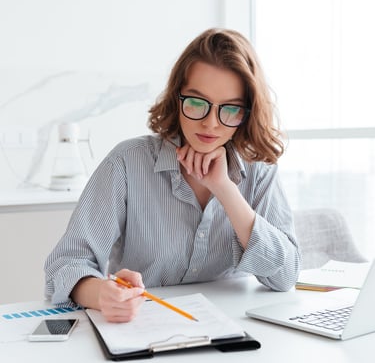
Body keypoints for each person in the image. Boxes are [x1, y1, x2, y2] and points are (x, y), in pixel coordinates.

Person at [45, 28, 300, 322]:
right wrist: (102, 293)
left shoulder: (258, 170)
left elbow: (285, 276)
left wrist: (225, 189)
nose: (210, 124)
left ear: (247, 112)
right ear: (177, 98)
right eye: (196, 103)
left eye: (229, 109)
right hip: (142, 329)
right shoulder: (127, 163)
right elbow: (65, 266)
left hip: (232, 331)